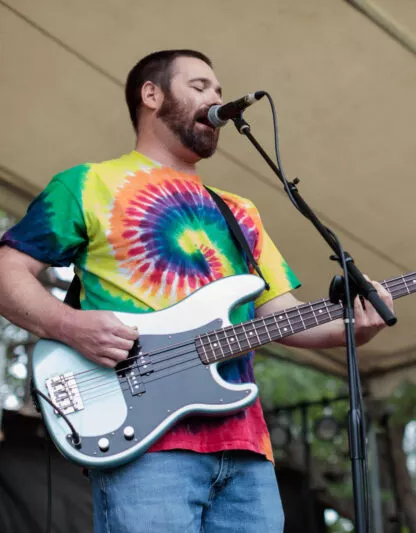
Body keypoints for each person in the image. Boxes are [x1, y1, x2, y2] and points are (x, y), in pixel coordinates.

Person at [0, 49, 394, 533]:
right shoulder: (87, 184)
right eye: (201, 86)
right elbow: (8, 272)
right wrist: (68, 325)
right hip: (144, 443)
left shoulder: (240, 210)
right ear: (151, 94)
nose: (217, 100)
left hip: (247, 448)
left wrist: (356, 327)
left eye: (220, 92)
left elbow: (282, 316)